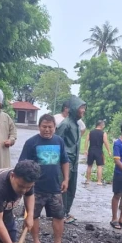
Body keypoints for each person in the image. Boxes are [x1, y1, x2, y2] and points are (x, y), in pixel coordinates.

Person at [19, 114, 70, 243]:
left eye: (50, 127)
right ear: (39, 126)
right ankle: (36, 242)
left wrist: (66, 179)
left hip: (55, 187)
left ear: (54, 127)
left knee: (59, 216)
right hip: (35, 189)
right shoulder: (31, 142)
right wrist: (24, 186)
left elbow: (65, 161)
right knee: (33, 216)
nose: (47, 130)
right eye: (44, 127)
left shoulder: (59, 141)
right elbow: (22, 165)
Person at [55, 95, 86, 224]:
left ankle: (66, 212)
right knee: (64, 187)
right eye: (81, 108)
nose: (84, 110)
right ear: (74, 109)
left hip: (74, 162)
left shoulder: (77, 124)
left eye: (84, 108)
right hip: (65, 163)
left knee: (72, 188)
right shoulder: (65, 124)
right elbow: (57, 143)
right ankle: (61, 213)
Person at [83, 119, 113, 185]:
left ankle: (88, 180)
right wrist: (109, 151)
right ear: (101, 125)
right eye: (103, 125)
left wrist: (85, 150)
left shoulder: (90, 132)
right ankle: (99, 181)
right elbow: (105, 142)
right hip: (99, 151)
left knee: (89, 165)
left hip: (91, 150)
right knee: (99, 166)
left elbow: (86, 141)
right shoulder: (103, 133)